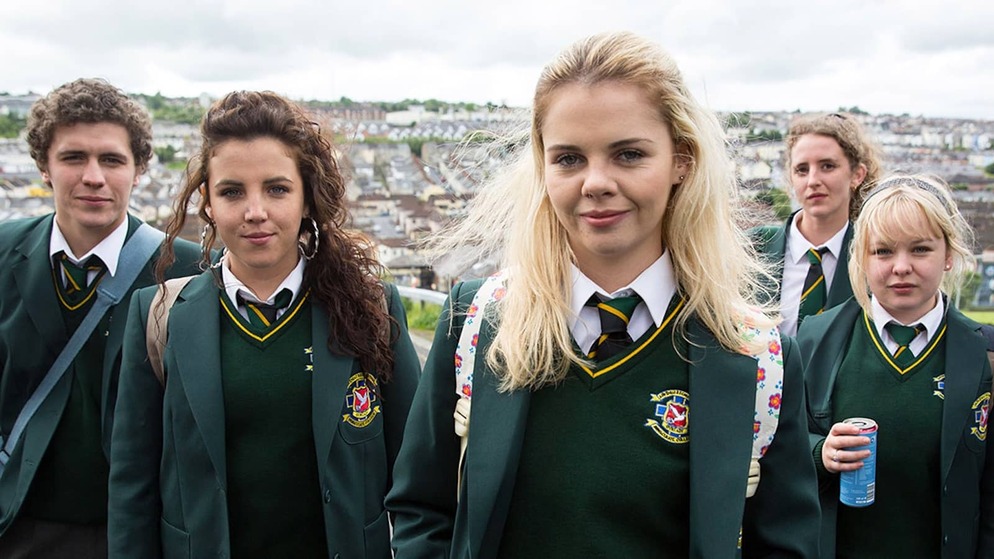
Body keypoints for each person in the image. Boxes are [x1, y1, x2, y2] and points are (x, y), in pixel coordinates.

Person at [386, 31, 820, 558]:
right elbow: (422, 510)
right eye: (569, 158)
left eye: (628, 154)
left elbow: (784, 542)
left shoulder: (755, 355)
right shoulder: (478, 321)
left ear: (682, 160)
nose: (595, 182)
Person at [106, 90, 420, 558]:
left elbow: (417, 472)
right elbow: (133, 486)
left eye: (277, 189)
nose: (255, 212)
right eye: (232, 191)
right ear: (207, 203)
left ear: (308, 198)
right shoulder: (158, 316)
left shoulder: (372, 307)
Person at [0, 78, 201, 558]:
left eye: (111, 160)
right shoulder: (4, 254)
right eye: (73, 158)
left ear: (139, 169)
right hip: (15, 523)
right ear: (44, 167)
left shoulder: (190, 272)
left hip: (135, 532)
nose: (93, 177)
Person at [798, 174, 993, 558]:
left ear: (948, 255)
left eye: (920, 249)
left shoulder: (985, 354)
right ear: (861, 258)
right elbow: (777, 446)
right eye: (883, 251)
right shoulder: (814, 339)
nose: (901, 267)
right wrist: (820, 451)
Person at [753, 112, 883, 336]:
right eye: (802, 170)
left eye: (827, 166)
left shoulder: (874, 260)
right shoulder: (752, 248)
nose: (813, 180)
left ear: (857, 175)